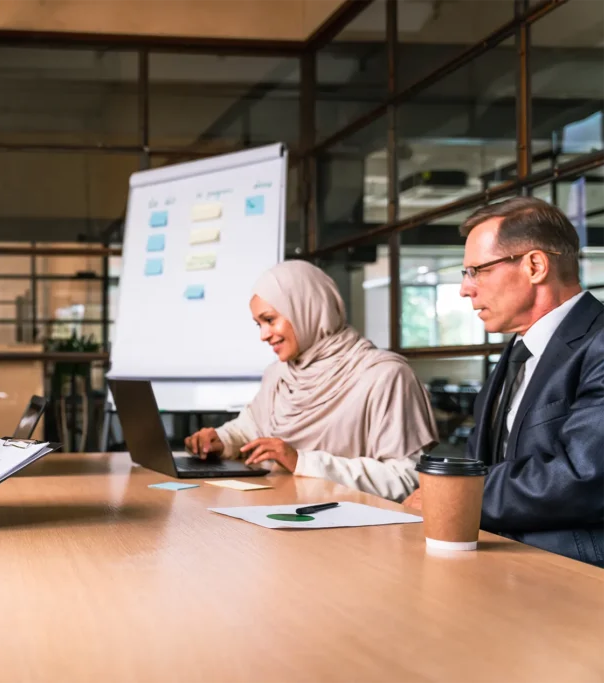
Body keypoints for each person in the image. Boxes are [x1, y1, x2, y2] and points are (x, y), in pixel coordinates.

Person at [402, 197, 604, 566]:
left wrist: (452, 495)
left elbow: (583, 477)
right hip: (492, 559)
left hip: (572, 578)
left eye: (476, 270)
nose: (465, 289)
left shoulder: (599, 343)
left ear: (535, 265)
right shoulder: (517, 351)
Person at [184, 260, 438, 502]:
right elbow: (252, 427)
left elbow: (408, 478)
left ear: (308, 308)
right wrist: (221, 440)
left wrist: (302, 462)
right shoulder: (280, 373)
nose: (263, 335)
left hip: (355, 533)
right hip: (280, 519)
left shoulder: (384, 375)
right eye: (258, 324)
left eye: (270, 320)